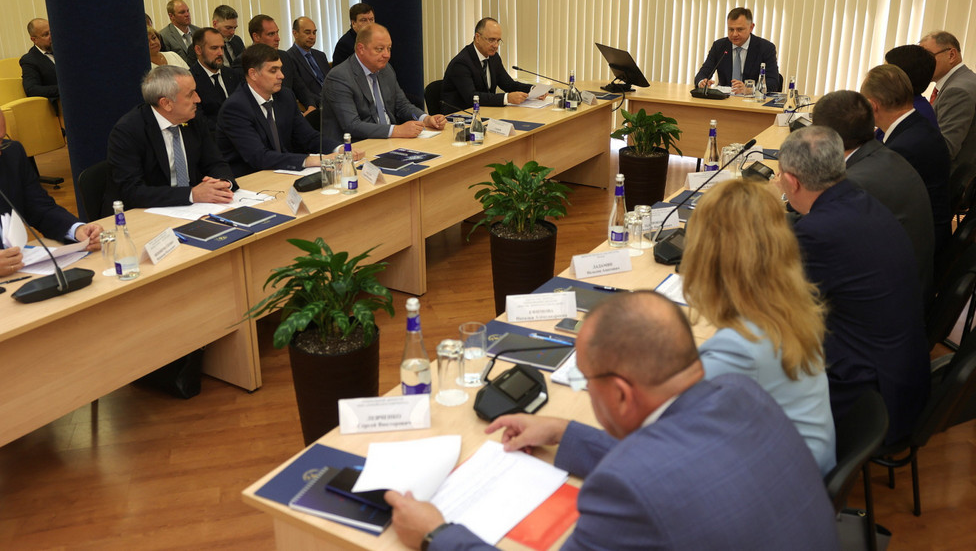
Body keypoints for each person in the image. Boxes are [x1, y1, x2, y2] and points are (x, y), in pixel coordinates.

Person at [384, 291, 840, 550]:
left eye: (587, 380)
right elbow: (676, 463)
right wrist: (565, 432)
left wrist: (435, 535)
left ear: (620, 393)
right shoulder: (742, 393)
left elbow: (648, 479)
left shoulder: (627, 487)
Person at [777, 126, 929, 443]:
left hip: (869, 394)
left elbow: (778, 307)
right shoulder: (861, 201)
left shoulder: (818, 232)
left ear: (792, 182)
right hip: (901, 370)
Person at [680, 179, 836, 474]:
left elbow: (666, 426)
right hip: (801, 466)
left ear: (706, 257)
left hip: (779, 483)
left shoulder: (740, 348)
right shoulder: (789, 309)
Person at [812, 90, 936, 303]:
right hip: (908, 287)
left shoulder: (855, 183)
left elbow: (817, 240)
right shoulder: (884, 155)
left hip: (886, 304)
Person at [0, 94, 100, 278]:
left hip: (13, 271)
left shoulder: (10, 154)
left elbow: (39, 208)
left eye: (0, 140)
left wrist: (76, 229)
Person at [108, 66, 236, 209]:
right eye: (190, 94)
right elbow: (132, 191)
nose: (198, 99)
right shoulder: (128, 131)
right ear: (166, 103)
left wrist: (222, 183)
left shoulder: (194, 119)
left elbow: (216, 163)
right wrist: (191, 194)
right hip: (153, 211)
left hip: (198, 208)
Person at [217, 44, 351, 177]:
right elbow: (258, 156)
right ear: (253, 74)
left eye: (280, 69)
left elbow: (308, 137)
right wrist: (309, 160)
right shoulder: (235, 108)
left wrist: (341, 149)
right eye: (273, 71)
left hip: (283, 171)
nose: (281, 75)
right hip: (252, 178)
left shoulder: (285, 96)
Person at [861, 64, 952, 256]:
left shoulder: (902, 148)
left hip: (915, 246)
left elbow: (872, 206)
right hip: (925, 229)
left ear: (872, 105)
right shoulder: (917, 125)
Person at [321, 24, 446, 142]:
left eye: (389, 48)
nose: (386, 55)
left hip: (388, 140)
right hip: (355, 146)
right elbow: (352, 125)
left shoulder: (385, 70)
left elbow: (402, 105)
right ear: (361, 49)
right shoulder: (339, 77)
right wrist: (396, 130)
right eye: (379, 49)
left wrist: (426, 119)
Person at [919, 30, 976, 201]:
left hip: (947, 183)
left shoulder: (958, 90)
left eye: (927, 57)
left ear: (951, 55)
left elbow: (945, 150)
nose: (922, 64)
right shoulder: (963, 81)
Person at [439, 17, 532, 113]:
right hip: (461, 115)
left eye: (498, 41)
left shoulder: (493, 57)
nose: (496, 46)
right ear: (477, 37)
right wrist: (506, 98)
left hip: (485, 112)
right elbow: (471, 97)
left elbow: (509, 85)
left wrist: (533, 89)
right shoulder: (461, 63)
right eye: (491, 40)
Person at [694, 7, 781, 92]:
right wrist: (702, 82)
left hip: (752, 99)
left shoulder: (766, 48)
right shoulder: (719, 46)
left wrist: (749, 89)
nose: (734, 34)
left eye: (740, 29)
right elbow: (702, 73)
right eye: (731, 29)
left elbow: (773, 82)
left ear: (751, 27)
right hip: (725, 99)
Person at [247, 14, 314, 108]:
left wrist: (311, 105)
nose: (278, 38)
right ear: (256, 37)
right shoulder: (245, 62)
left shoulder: (284, 56)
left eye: (277, 33)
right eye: (271, 34)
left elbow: (300, 87)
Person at [189, 27, 240, 134]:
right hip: (212, 137)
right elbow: (199, 120)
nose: (220, 53)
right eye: (214, 48)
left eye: (222, 48)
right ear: (198, 50)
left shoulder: (232, 74)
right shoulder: (190, 80)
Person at [883, 44, 939, 133]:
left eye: (884, 72)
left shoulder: (911, 116)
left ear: (901, 78)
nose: (879, 77)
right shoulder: (908, 105)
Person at [288, 16, 330, 109]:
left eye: (314, 32)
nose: (312, 37)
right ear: (295, 33)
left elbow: (331, 81)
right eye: (307, 32)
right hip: (317, 106)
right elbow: (302, 91)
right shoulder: (289, 58)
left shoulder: (320, 55)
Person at [19, 18, 60, 104]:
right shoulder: (29, 60)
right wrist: (64, 89)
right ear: (34, 40)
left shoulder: (63, 51)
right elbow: (32, 90)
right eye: (46, 34)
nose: (51, 36)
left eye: (51, 31)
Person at [331, 2, 375, 67]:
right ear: (353, 23)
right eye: (364, 20)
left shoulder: (377, 38)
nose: (369, 24)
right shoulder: (344, 44)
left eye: (371, 19)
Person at [212, 4, 245, 68]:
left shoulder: (237, 40)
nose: (232, 32)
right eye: (228, 28)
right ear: (215, 24)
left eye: (234, 28)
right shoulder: (205, 46)